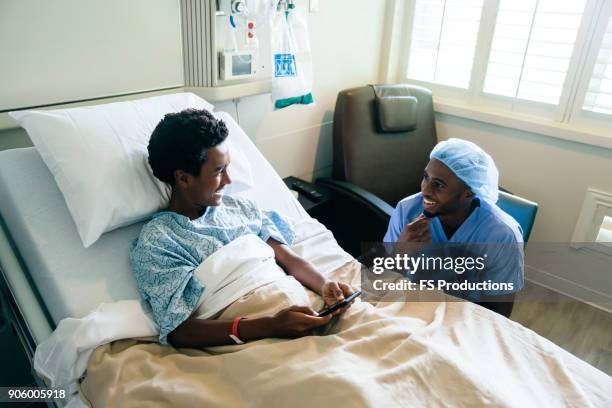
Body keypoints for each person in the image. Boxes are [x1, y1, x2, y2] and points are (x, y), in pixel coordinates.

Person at [130, 108, 354, 348]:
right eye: (218, 171)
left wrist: (324, 285)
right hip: (252, 331)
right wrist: (271, 325)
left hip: (303, 309)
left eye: (227, 167)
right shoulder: (160, 241)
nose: (229, 180)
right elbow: (178, 330)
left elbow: (288, 259)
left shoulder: (240, 208)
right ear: (184, 178)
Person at [383, 138, 524, 316]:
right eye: (426, 177)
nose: (425, 190)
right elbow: (386, 282)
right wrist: (401, 252)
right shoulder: (407, 209)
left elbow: (499, 311)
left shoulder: (501, 234)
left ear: (470, 192)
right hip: (410, 306)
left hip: (464, 318)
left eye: (439, 185)